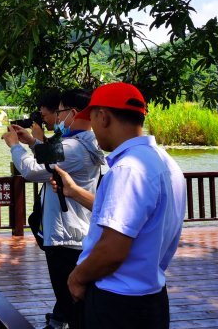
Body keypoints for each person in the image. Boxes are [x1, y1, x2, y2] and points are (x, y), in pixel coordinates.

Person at [51, 82, 186, 329]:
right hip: (151, 297)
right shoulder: (166, 163)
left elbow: (113, 250)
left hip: (117, 303)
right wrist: (75, 192)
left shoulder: (128, 170)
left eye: (91, 119)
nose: (92, 127)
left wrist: (77, 278)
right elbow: (134, 221)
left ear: (103, 116)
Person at [2, 89, 105, 329]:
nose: (57, 120)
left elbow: (31, 170)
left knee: (71, 303)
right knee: (75, 303)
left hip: (65, 237)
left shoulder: (73, 147)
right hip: (76, 232)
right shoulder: (81, 144)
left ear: (73, 113)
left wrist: (15, 146)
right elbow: (50, 159)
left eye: (59, 113)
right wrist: (33, 142)